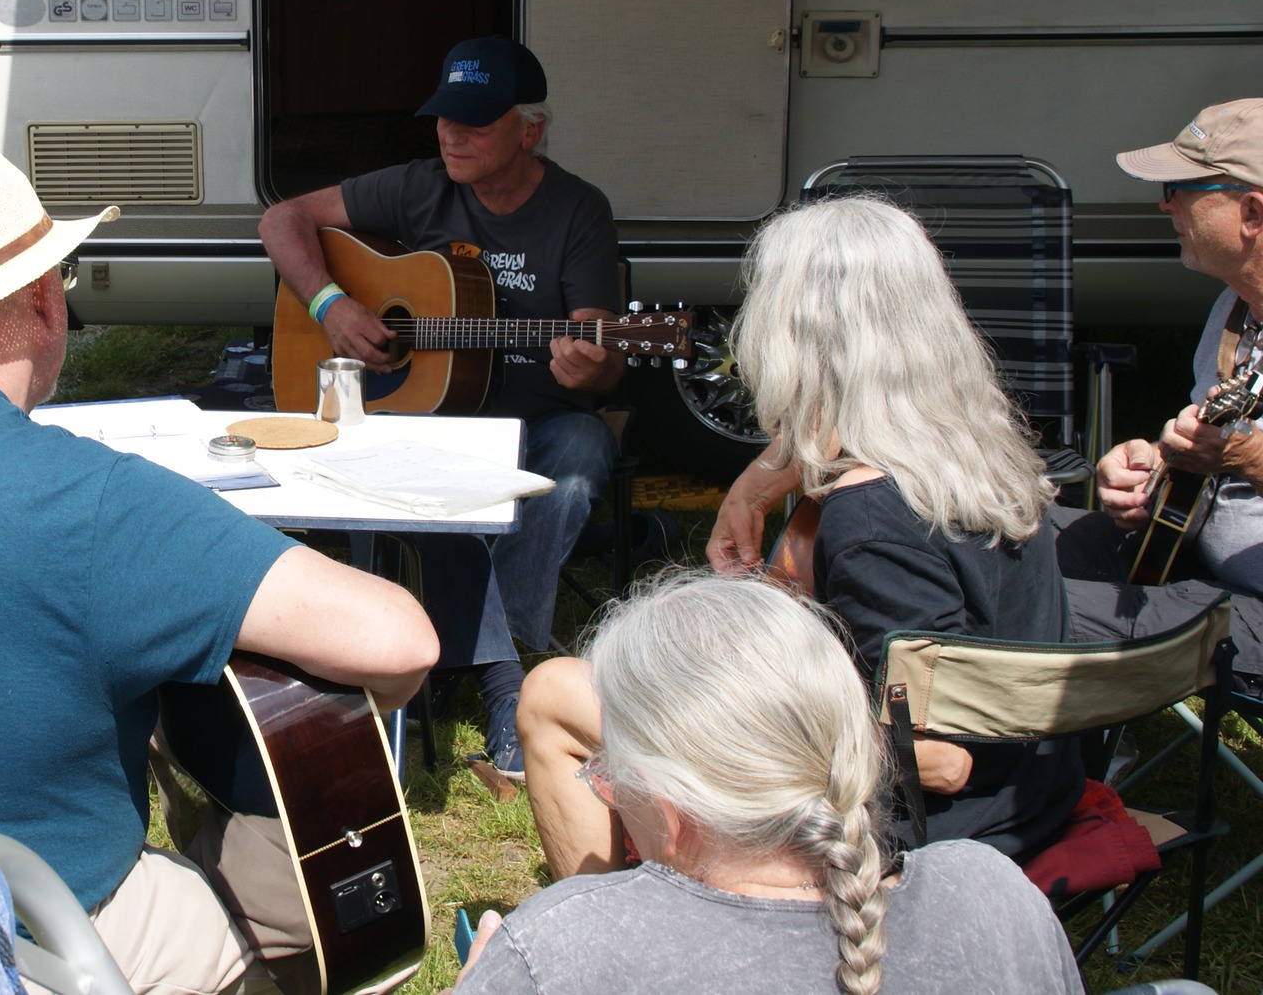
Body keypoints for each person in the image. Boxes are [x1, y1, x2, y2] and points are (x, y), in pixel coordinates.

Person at [0, 140, 439, 993]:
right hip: (1, 943)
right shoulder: (90, 497)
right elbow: (402, 641)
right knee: (300, 919)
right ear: (42, 300)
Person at [526, 196, 1079, 876]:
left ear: (795, 336)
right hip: (1031, 797)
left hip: (913, 840)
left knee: (555, 694)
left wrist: (743, 700)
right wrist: (753, 490)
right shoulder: (983, 450)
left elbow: (939, 760)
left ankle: (603, 928)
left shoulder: (870, 521)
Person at [257, 36, 621, 779]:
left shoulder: (577, 210)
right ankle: (505, 681)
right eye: (444, 117)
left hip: (540, 418)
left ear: (530, 130)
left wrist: (590, 362)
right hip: (435, 420)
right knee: (421, 492)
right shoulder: (419, 187)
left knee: (581, 457)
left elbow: (602, 354)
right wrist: (331, 306)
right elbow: (282, 219)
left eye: (475, 122)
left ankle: (484, 650)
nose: (451, 135)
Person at [454, 573, 1081, 995]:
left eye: (609, 778)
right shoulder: (995, 896)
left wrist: (493, 979)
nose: (605, 788)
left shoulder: (555, 954)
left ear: (669, 807)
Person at [1048, 100, 1263, 688]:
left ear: (1251, 212)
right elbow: (1210, 444)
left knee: (1035, 606)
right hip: (1187, 560)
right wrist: (1154, 464)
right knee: (990, 540)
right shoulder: (1234, 308)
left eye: (1179, 188)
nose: (1165, 204)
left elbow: (1239, 451)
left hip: (1251, 604)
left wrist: (1244, 456)